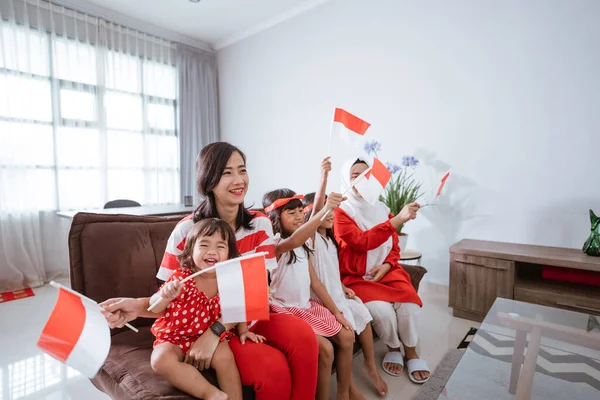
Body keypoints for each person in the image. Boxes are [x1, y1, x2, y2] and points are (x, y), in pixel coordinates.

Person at [101, 142, 319, 400]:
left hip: (248, 315)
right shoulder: (187, 231)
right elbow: (170, 295)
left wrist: (214, 331)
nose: (238, 180)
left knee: (305, 338)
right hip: (207, 322)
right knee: (272, 370)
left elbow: (256, 291)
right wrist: (133, 308)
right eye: (227, 173)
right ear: (209, 180)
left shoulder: (260, 224)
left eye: (242, 170)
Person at [333, 158, 430, 384]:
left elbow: (393, 245)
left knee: (409, 305)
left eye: (366, 174)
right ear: (345, 179)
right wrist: (397, 219)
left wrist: (387, 265)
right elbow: (360, 241)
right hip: (356, 278)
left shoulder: (381, 208)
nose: (361, 179)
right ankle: (393, 347)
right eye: (354, 175)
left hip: (387, 272)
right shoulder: (340, 212)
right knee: (382, 312)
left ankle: (412, 351)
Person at [149, 218, 265, 400]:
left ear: (229, 254)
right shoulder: (181, 277)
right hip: (175, 336)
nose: (212, 251)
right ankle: (211, 394)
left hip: (213, 336)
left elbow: (237, 307)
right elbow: (155, 307)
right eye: (204, 245)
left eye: (220, 246)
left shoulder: (229, 280)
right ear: (191, 250)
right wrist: (165, 295)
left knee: (225, 359)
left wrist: (244, 330)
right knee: (160, 360)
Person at [263, 187, 359, 400]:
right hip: (285, 309)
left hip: (305, 306)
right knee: (325, 349)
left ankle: (344, 393)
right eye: (291, 212)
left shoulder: (303, 245)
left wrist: (336, 312)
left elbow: (315, 282)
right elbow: (294, 240)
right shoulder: (276, 245)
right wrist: (326, 207)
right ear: (275, 218)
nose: (299, 216)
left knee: (346, 335)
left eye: (300, 211)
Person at [302, 159, 387, 397]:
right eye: (325, 212)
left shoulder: (329, 241)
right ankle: (346, 390)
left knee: (362, 313)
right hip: (322, 301)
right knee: (347, 335)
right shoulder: (311, 240)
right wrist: (324, 178)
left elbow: (330, 272)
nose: (331, 215)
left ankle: (362, 373)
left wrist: (341, 285)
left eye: (332, 212)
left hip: (336, 294)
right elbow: (316, 212)